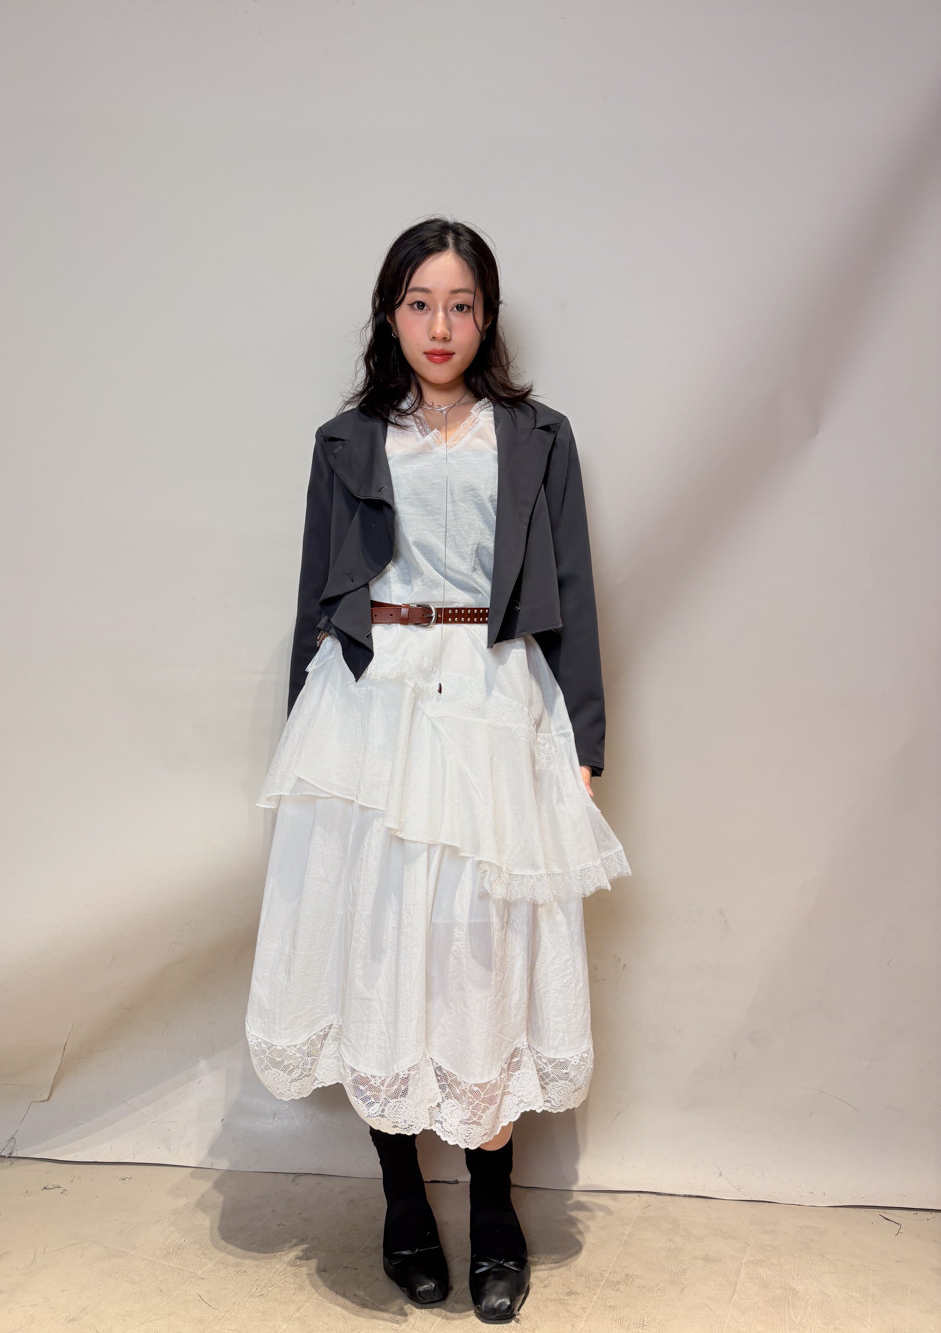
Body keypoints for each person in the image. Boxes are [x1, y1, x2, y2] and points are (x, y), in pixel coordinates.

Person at [245, 217, 631, 1323]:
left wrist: (584, 739)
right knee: (382, 941)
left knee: (481, 949)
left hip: (497, 696)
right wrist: (303, 735)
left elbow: (572, 590)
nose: (441, 325)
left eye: (461, 304)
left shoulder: (539, 437)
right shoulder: (348, 440)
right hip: (373, 702)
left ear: (486, 315)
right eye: (420, 302)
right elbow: (317, 593)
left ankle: (495, 1208)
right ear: (391, 314)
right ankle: (404, 1201)